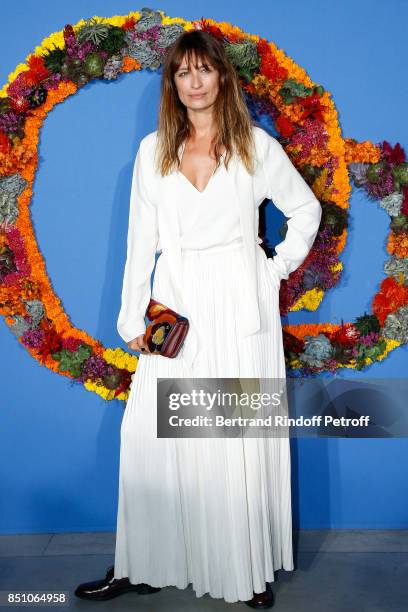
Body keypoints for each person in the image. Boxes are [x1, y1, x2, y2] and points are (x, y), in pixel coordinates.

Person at [74, 30, 322, 608]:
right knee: (154, 436)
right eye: (183, 72)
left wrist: (273, 268)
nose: (194, 82)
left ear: (221, 78)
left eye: (204, 70)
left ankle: (248, 570)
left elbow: (306, 209)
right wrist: (131, 314)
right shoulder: (151, 151)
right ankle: (144, 563)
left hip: (240, 303)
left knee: (233, 434)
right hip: (176, 304)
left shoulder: (256, 147)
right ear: (173, 84)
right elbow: (140, 244)